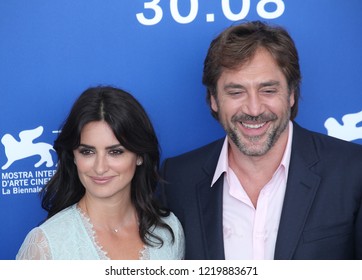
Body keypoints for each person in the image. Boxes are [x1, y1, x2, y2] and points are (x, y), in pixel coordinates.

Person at [159, 21, 362, 260]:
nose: (254, 109)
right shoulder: (178, 178)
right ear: (213, 99)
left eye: (268, 90)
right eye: (236, 92)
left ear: (291, 95)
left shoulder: (352, 170)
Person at [16, 86, 185, 260]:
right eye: (87, 152)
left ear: (139, 156)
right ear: (73, 156)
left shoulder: (168, 230)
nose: (100, 167)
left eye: (115, 152)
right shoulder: (45, 243)